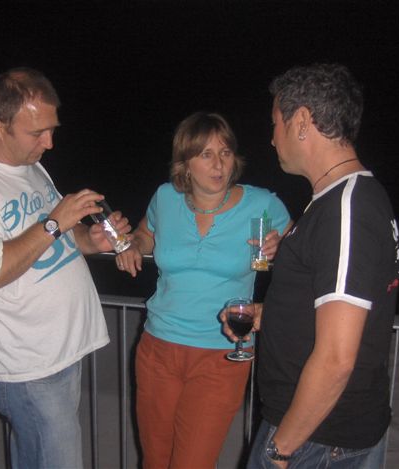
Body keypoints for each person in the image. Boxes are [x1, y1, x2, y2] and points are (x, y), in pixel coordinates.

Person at [0, 67, 131, 469]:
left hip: (60, 352)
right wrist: (55, 222)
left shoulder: (32, 168)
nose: (49, 142)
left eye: (52, 129)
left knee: (33, 457)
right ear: (0, 126)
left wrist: (89, 240)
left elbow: (60, 238)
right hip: (26, 364)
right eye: (37, 133)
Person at [222, 64, 399, 468]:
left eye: (275, 124)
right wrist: (268, 314)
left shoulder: (347, 209)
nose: (272, 138)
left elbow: (337, 359)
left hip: (317, 439)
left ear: (301, 121)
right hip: (314, 433)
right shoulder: (339, 201)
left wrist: (280, 449)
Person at [116, 112, 291, 469]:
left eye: (225, 153)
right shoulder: (165, 198)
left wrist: (282, 247)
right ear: (185, 163)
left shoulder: (262, 204)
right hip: (158, 347)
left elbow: (305, 255)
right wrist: (133, 244)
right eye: (206, 154)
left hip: (223, 352)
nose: (219, 164)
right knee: (155, 460)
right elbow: (146, 233)